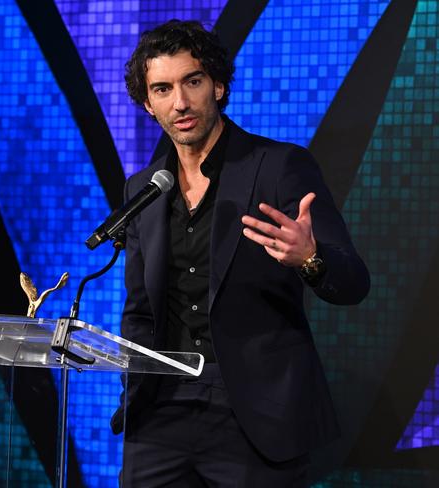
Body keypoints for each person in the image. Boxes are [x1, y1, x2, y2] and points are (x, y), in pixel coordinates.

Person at [111, 20, 370, 487]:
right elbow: (140, 309)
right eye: (163, 89)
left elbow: (353, 281)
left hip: (254, 415)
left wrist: (310, 258)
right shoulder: (144, 189)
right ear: (148, 104)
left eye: (192, 82)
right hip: (159, 415)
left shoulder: (279, 167)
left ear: (218, 84)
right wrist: (135, 386)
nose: (181, 102)